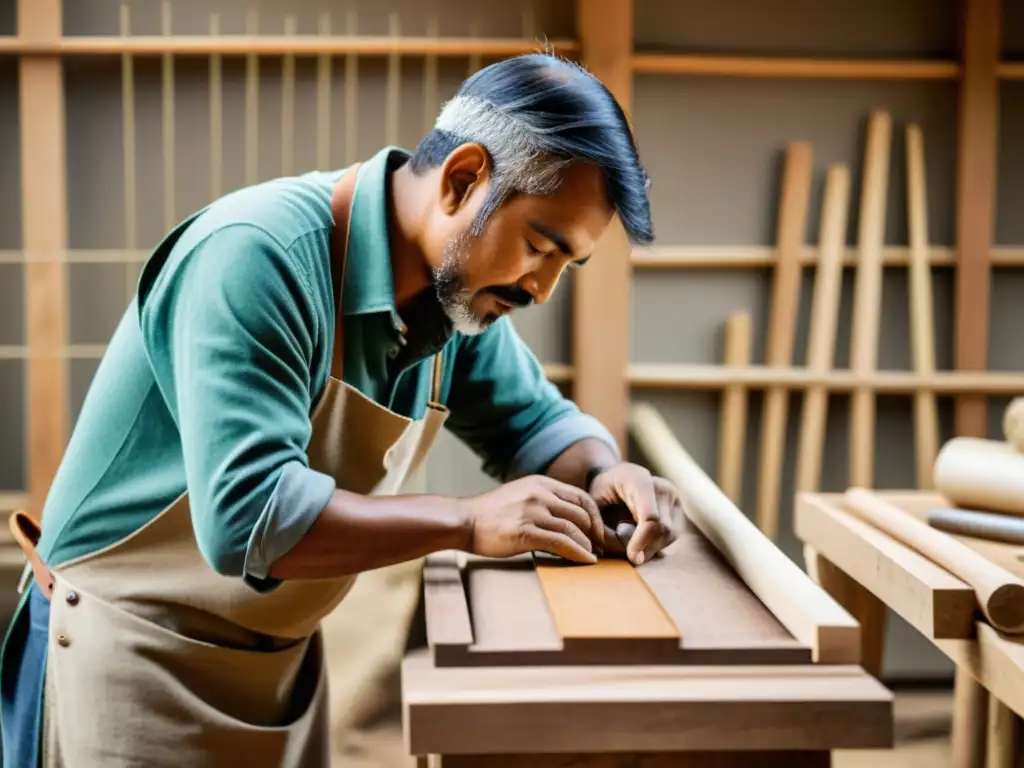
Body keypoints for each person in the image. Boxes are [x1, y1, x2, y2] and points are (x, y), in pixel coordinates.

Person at [0, 52, 683, 767]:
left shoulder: (458, 305)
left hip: (276, 666)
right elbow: (250, 518)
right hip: (125, 652)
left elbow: (535, 426)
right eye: (539, 246)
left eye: (565, 266)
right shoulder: (257, 257)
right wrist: (470, 521)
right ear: (463, 179)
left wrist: (606, 474)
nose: (540, 288)